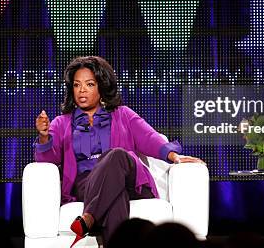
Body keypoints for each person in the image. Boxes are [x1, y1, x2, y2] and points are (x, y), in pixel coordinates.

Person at [34, 56, 203, 247]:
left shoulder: (122, 114)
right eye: (76, 85)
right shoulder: (62, 122)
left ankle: (89, 217)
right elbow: (46, 160)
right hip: (88, 184)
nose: (82, 90)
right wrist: (44, 137)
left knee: (115, 155)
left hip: (129, 177)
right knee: (116, 195)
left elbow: (150, 138)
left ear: (101, 87)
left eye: (89, 84)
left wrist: (174, 156)